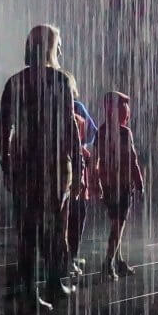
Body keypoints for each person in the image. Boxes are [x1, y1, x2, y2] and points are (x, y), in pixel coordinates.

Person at [0, 24, 84, 310]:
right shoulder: (61, 81)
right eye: (57, 44)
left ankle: (28, 290)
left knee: (26, 230)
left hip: (24, 163)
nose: (60, 49)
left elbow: (3, 128)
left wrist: (6, 163)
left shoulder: (15, 82)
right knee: (55, 227)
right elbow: (71, 129)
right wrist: (79, 168)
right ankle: (54, 282)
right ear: (51, 47)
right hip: (54, 165)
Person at [96, 90, 145, 279]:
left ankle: (119, 260)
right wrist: (139, 183)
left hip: (108, 184)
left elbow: (97, 158)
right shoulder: (125, 132)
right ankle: (108, 262)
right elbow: (132, 159)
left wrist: (97, 181)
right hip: (122, 184)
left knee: (116, 223)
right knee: (118, 224)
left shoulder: (101, 130)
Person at [67, 102, 100, 276]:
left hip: (55, 168)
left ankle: (60, 257)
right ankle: (70, 256)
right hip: (75, 165)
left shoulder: (44, 104)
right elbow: (92, 134)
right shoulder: (75, 106)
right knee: (77, 213)